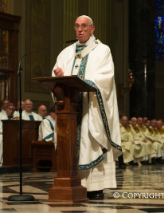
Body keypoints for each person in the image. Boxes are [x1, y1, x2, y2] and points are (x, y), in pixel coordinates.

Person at [52, 15, 121, 200]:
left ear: (92, 29)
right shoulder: (66, 52)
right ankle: (72, 182)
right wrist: (58, 74)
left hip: (91, 108)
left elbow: (106, 77)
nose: (80, 29)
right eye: (77, 26)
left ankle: (94, 186)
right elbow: (56, 73)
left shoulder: (102, 50)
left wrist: (86, 82)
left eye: (84, 26)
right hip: (71, 109)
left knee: (90, 142)